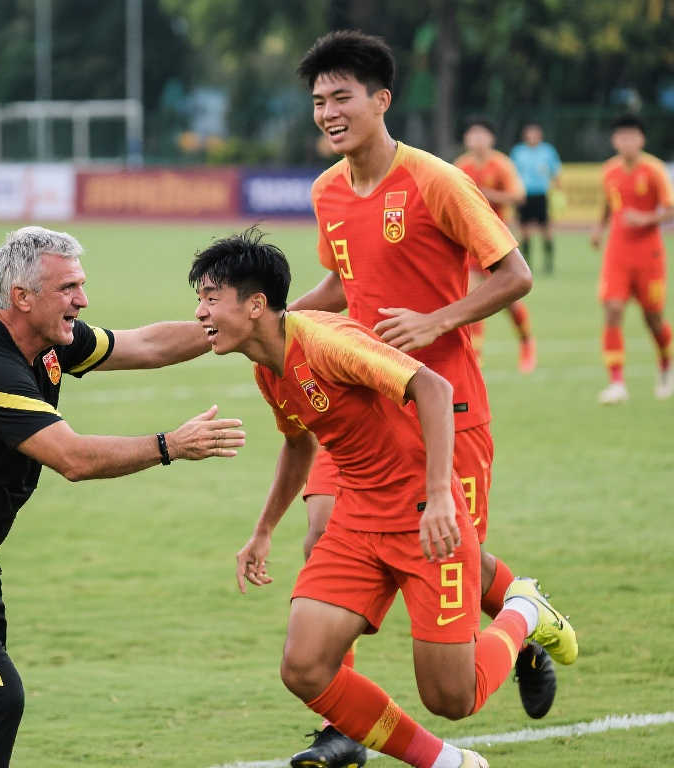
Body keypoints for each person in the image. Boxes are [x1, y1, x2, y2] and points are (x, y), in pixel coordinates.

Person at [0, 226, 246, 767]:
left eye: (80, 286)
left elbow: (145, 345)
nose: (82, 300)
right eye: (68, 289)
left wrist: (234, 326)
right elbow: (73, 458)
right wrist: (170, 444)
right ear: (22, 298)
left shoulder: (49, 341)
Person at [189, 229, 577, 768]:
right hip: (356, 521)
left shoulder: (327, 341)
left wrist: (440, 497)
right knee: (303, 667)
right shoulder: (267, 367)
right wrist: (263, 530)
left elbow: (434, 389)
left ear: (256, 305)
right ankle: (446, 763)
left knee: (452, 697)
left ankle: (523, 611)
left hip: (421, 517)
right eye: (199, 299)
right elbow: (298, 443)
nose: (201, 313)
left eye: (211, 298)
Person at [285, 31, 551, 768]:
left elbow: (515, 274)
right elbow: (342, 287)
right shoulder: (326, 192)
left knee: (450, 680)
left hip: (448, 414)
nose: (329, 113)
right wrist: (275, 327)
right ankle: (346, 724)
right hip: (365, 412)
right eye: (318, 102)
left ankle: (522, 612)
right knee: (322, 537)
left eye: (342, 97)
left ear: (382, 100)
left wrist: (435, 321)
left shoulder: (435, 180)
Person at [590, 114, 674, 404]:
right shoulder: (609, 171)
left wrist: (645, 218)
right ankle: (616, 382)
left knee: (653, 318)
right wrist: (599, 229)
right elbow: (608, 203)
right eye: (621, 136)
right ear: (615, 140)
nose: (626, 142)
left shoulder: (654, 170)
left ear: (641, 139)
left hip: (649, 255)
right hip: (617, 253)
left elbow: (671, 211)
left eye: (632, 136)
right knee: (612, 310)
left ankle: (665, 363)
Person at [454, 117, 536, 374]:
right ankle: (475, 357)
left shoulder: (501, 164)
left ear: (491, 139)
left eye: (482, 135)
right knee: (472, 298)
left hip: (497, 243)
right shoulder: (461, 165)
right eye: (472, 134)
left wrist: (489, 195)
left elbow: (519, 195)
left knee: (509, 302)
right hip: (470, 242)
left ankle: (526, 341)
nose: (477, 139)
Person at [511, 122, 562, 275]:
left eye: (535, 134)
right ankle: (526, 263)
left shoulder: (547, 151)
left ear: (540, 136)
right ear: (525, 136)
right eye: (530, 134)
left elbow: (556, 171)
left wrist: (558, 191)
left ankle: (548, 263)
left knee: (546, 229)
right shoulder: (518, 151)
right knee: (524, 230)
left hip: (541, 195)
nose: (532, 137)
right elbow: (512, 174)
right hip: (524, 196)